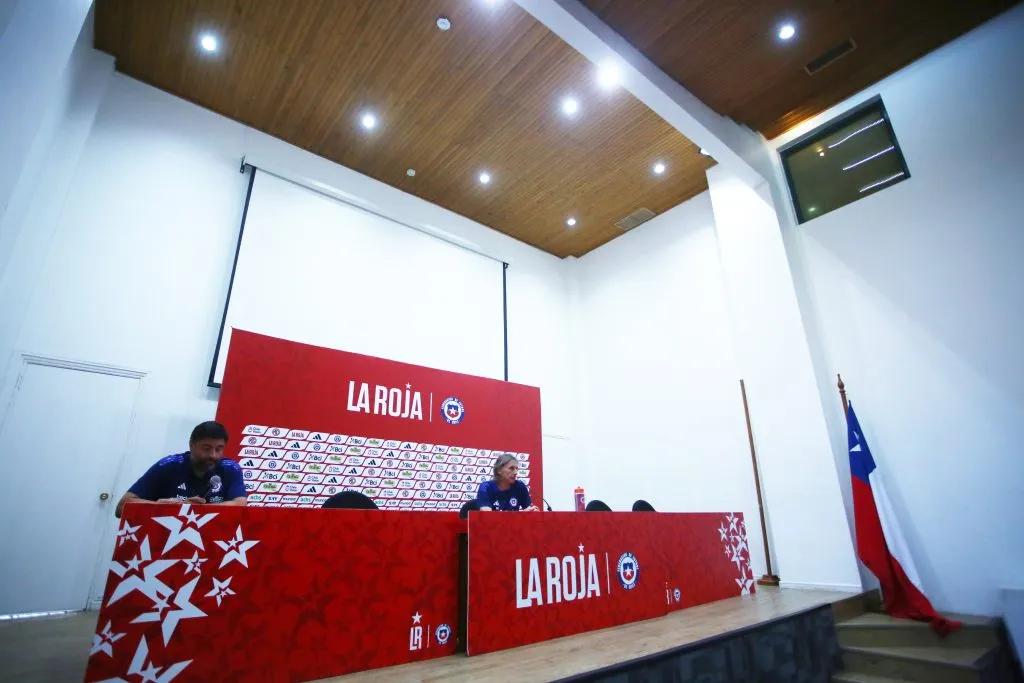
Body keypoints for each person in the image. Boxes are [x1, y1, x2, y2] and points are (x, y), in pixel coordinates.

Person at [115, 421, 247, 517]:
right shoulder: (168, 465)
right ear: (191, 445)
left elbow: (240, 504)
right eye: (206, 449)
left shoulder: (230, 468)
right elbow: (122, 507)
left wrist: (196, 510)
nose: (213, 455)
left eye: (219, 449)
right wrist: (161, 507)